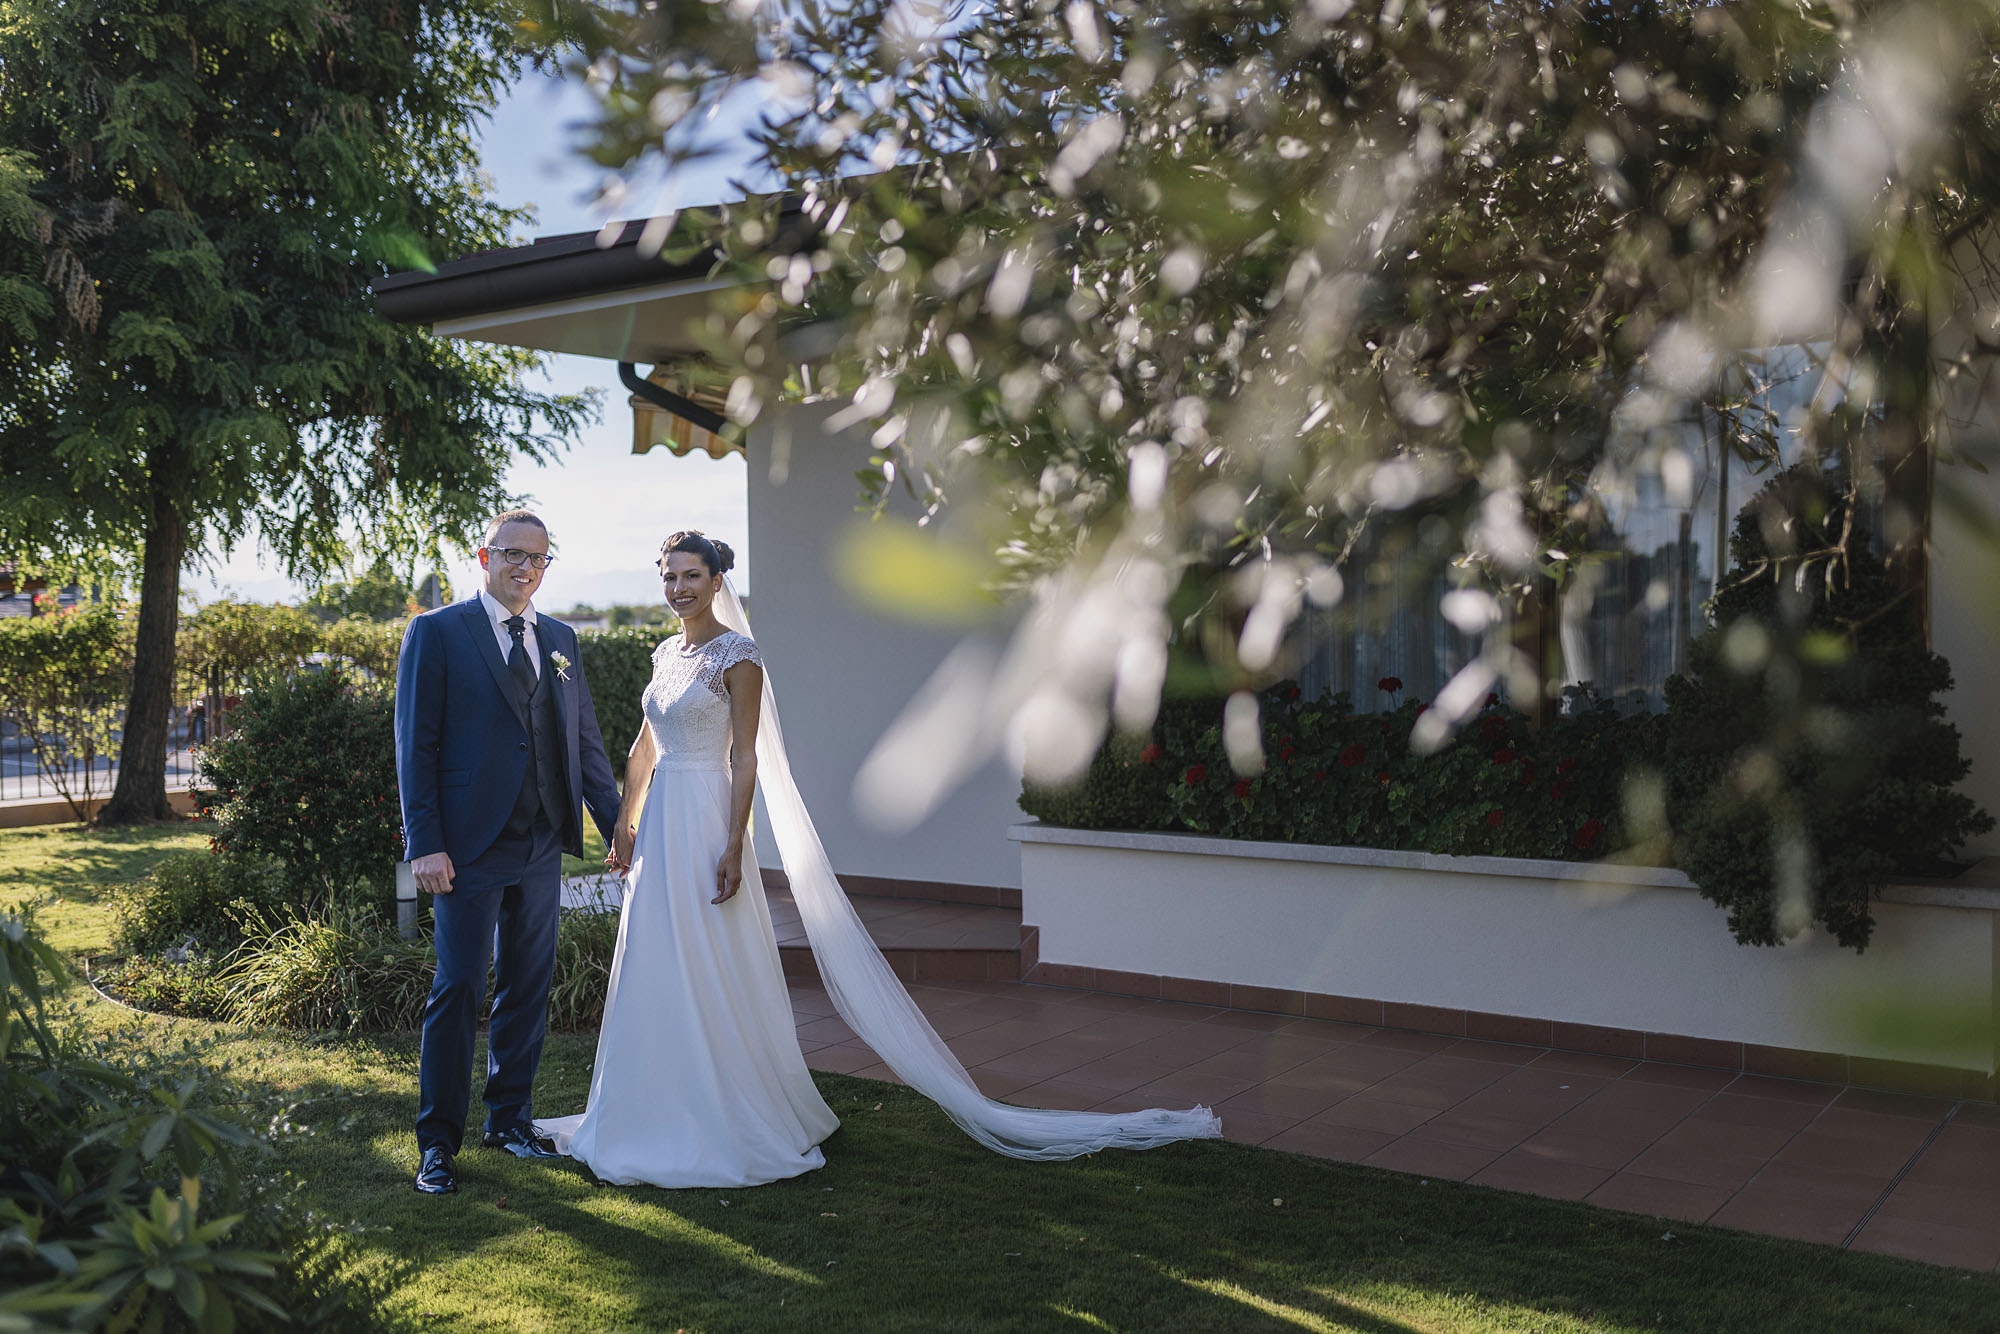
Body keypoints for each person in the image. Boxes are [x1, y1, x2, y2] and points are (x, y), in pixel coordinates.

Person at [540, 530, 1218, 1189]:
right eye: (669, 575)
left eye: (691, 575)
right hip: (661, 823)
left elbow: (745, 756)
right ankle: (645, 1104)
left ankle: (722, 1108)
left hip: (708, 817)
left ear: (717, 581)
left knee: (709, 958)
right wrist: (624, 824)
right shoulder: (663, 654)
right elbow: (642, 749)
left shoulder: (737, 655)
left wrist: (732, 843)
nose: (678, 587)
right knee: (657, 956)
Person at [395, 509, 622, 1196]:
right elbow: (416, 746)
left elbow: (582, 741)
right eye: (514, 555)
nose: (527, 568)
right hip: (464, 848)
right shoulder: (435, 633)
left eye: (540, 559)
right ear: (483, 555)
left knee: (529, 985)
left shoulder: (558, 639)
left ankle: (510, 1119)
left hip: (541, 842)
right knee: (458, 987)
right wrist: (424, 845)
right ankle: (437, 1143)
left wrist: (615, 826)